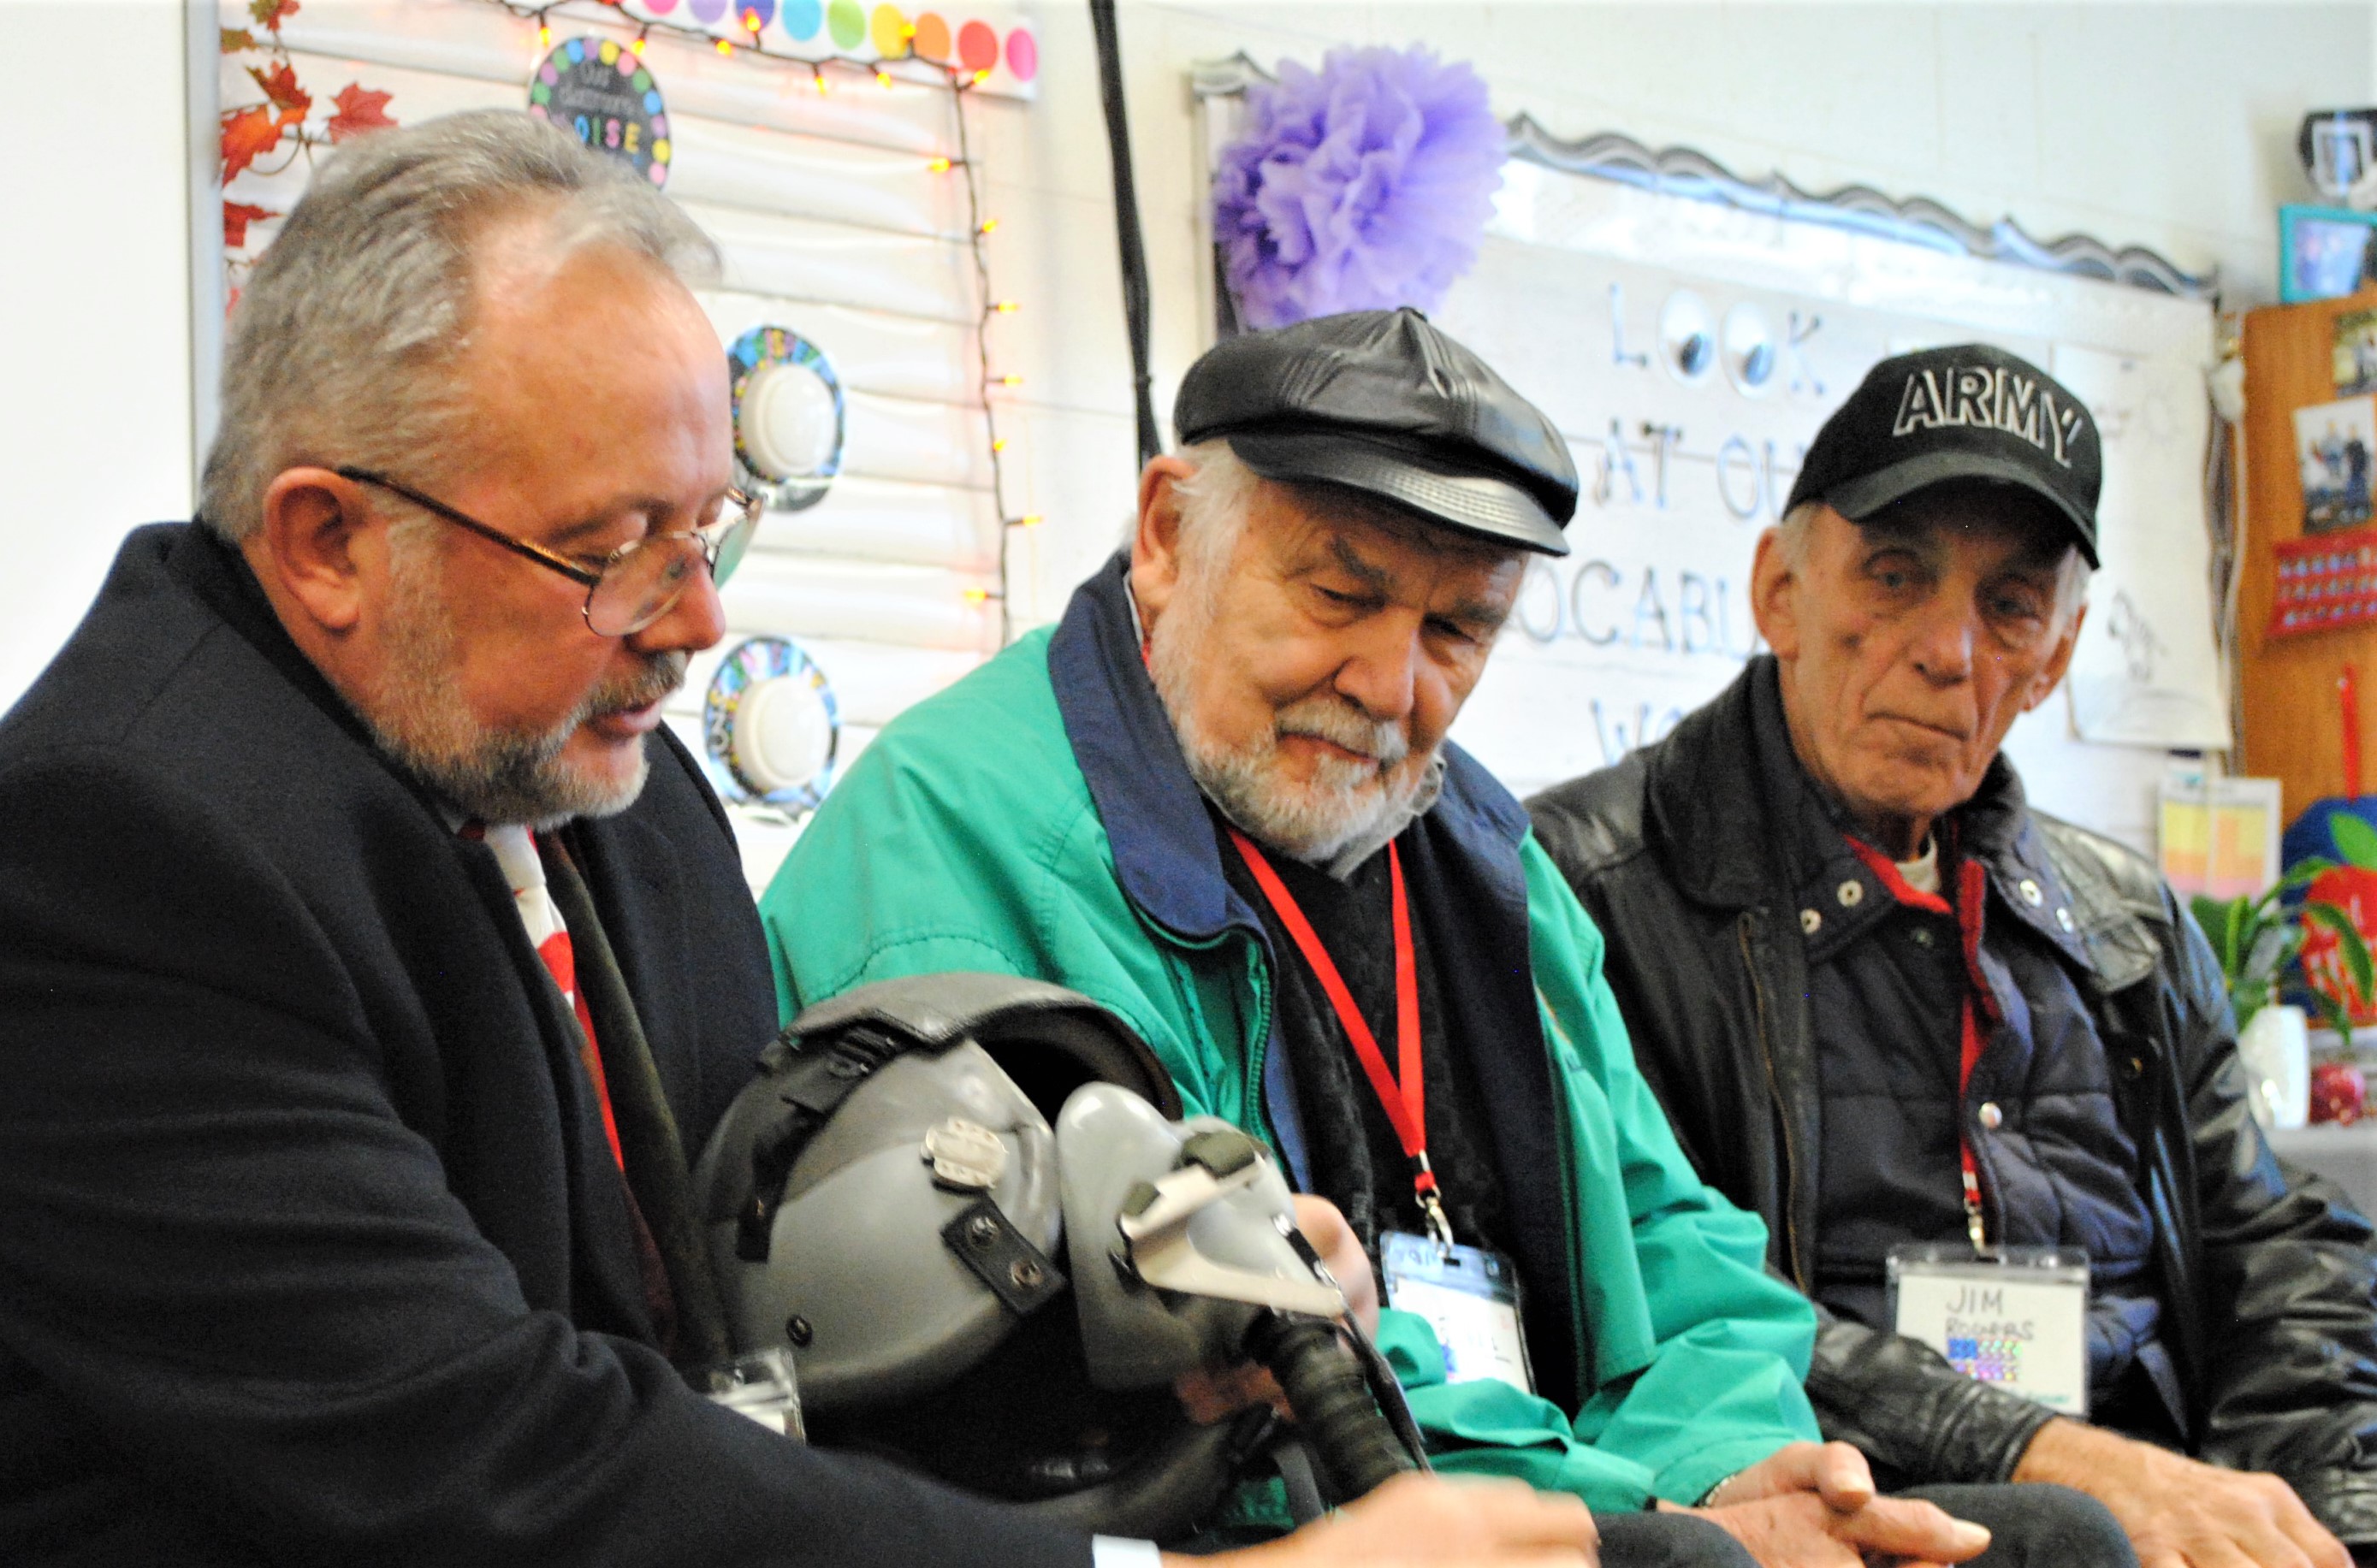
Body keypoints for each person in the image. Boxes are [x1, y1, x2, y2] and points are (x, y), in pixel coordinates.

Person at [0, 114, 1598, 1568]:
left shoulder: (613, 784)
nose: (691, 625)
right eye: (610, 549)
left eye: (708, 529)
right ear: (327, 538)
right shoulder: (96, 864)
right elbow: (498, 1466)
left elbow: (733, 1341)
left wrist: (1144, 1361)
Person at [760, 308, 2131, 1568]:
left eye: (1458, 628)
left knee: (2058, 1545)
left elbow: (1672, 1232)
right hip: (1227, 1513)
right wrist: (1632, 1505)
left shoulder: (1475, 845)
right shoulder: (968, 840)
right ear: (1170, 534)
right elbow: (1236, 1326)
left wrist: (1732, 1460)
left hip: (1522, 1475)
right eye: (1339, 597)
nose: (1390, 687)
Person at [1526, 343, 2377, 1568]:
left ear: (2059, 655)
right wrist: (2044, 1453)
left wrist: (2334, 1527)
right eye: (1894, 573)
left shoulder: (2126, 922)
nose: (1949, 650)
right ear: (1779, 590)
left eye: (2010, 605)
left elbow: (2275, 1260)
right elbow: (1665, 1292)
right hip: (1851, 1514)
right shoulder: (1593, 890)